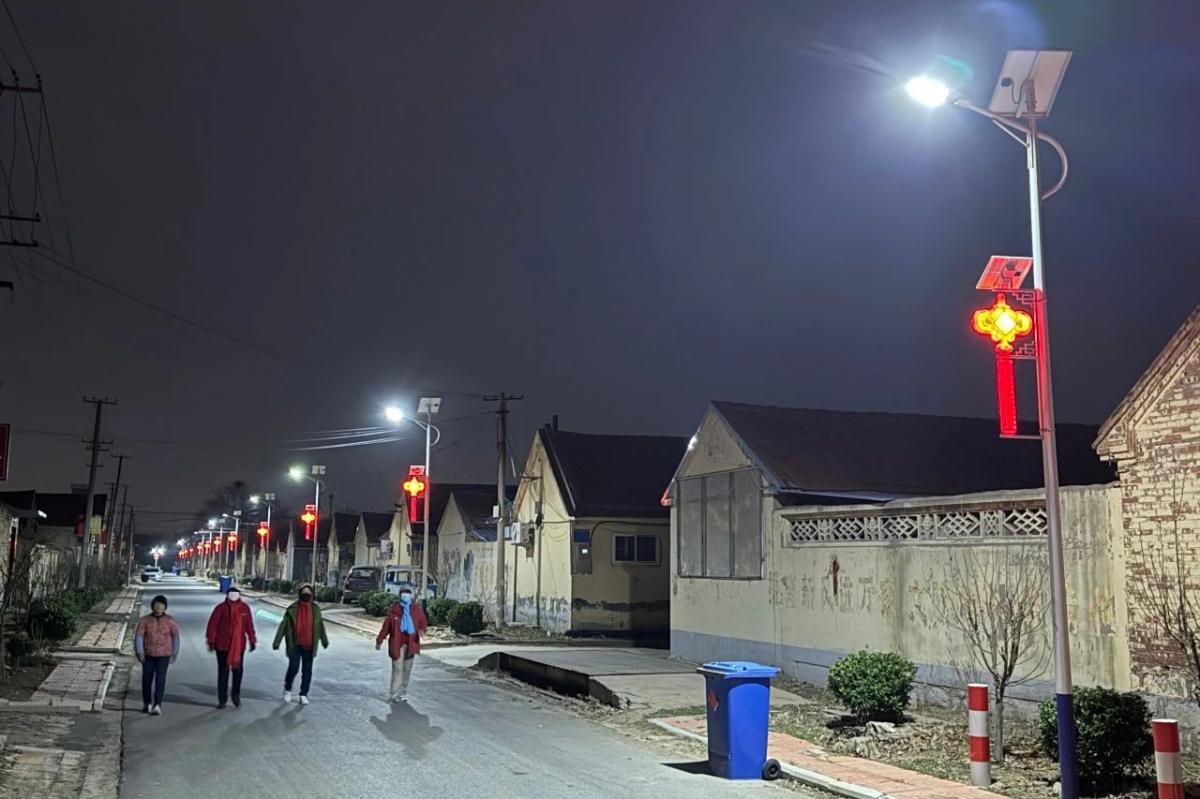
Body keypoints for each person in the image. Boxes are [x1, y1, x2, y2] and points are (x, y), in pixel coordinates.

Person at [272, 583, 329, 705]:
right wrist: (277, 641)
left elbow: (320, 626)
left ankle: (303, 694)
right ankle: (287, 688)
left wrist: (324, 640)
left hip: (309, 644)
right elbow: (283, 625)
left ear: (312, 595)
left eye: (309, 593)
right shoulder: (292, 608)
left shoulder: (315, 609)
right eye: (304, 592)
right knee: (294, 668)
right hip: (295, 644)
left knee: (307, 671)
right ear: (300, 594)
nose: (306, 594)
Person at [205, 584, 256, 708]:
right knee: (223, 672)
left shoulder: (244, 608)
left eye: (236, 594)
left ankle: (236, 695)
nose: (233, 596)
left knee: (237, 671)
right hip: (222, 646)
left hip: (238, 646)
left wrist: (252, 640)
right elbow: (213, 625)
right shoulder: (221, 608)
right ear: (227, 595)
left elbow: (249, 625)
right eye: (231, 594)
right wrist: (211, 640)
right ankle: (222, 699)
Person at [375, 586, 427, 703]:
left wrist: (422, 629)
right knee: (398, 669)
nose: (406, 595)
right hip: (397, 644)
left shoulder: (415, 609)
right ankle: (394, 694)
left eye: (408, 593)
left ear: (411, 595)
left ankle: (403, 693)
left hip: (411, 644)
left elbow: (422, 621)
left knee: (407, 669)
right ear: (399, 595)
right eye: (403, 593)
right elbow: (386, 628)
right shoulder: (394, 610)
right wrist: (379, 641)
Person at [134, 594, 180, 715]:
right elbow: (139, 637)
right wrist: (140, 652)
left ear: (165, 607)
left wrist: (174, 653)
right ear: (152, 606)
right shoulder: (145, 620)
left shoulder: (170, 620)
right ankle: (147, 703)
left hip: (164, 655)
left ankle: (157, 705)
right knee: (146, 680)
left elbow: (176, 637)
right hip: (148, 654)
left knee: (160, 680)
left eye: (161, 605)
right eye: (156, 604)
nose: (159, 607)